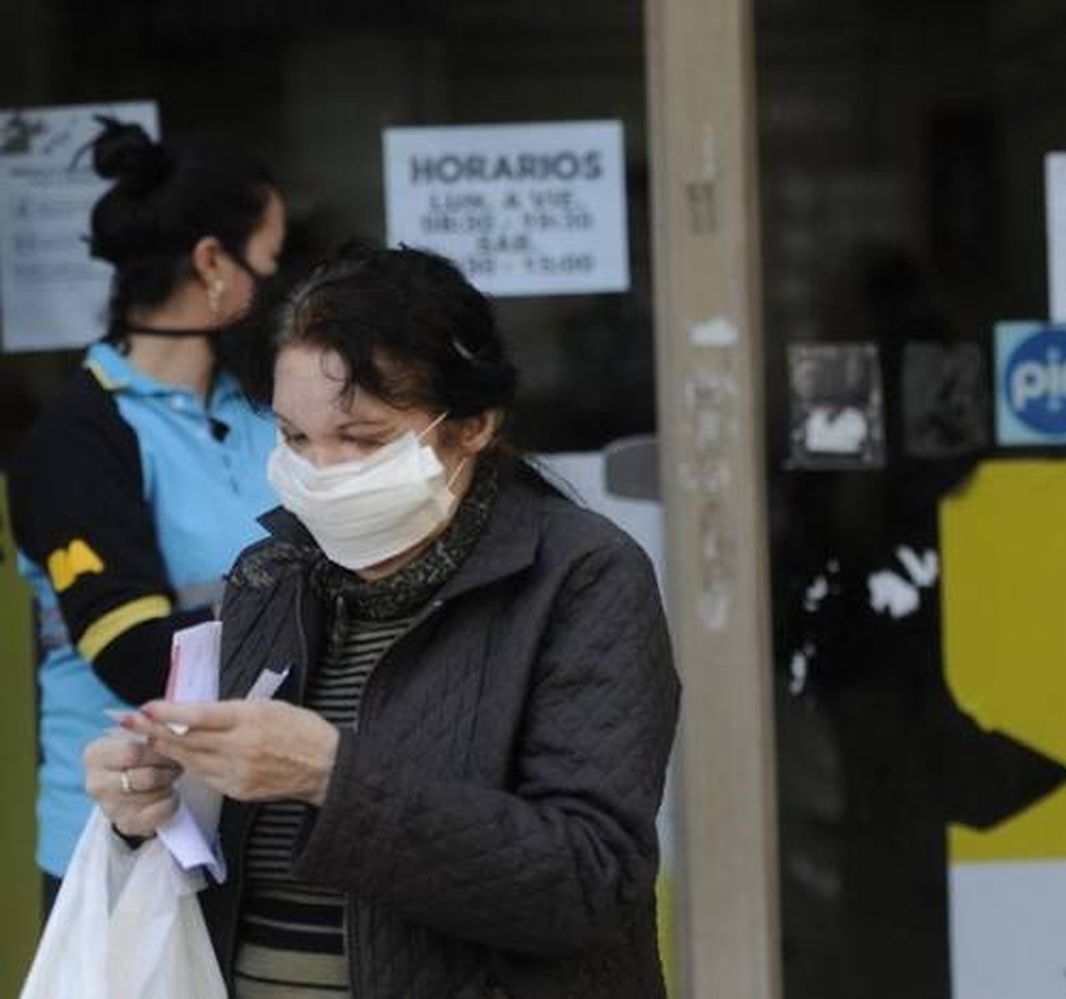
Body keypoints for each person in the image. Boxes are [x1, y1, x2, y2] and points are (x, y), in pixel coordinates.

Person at [84, 245, 681, 998]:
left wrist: (334, 778)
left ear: (472, 426)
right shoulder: (271, 576)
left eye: (362, 439)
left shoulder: (578, 576)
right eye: (296, 437)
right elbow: (220, 863)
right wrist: (144, 811)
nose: (321, 470)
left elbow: (590, 880)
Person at [6, 118, 285, 915]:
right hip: (126, 837)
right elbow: (133, 653)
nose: (279, 289)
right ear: (212, 265)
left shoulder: (263, 404)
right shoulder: (80, 435)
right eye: (269, 264)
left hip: (260, 823)